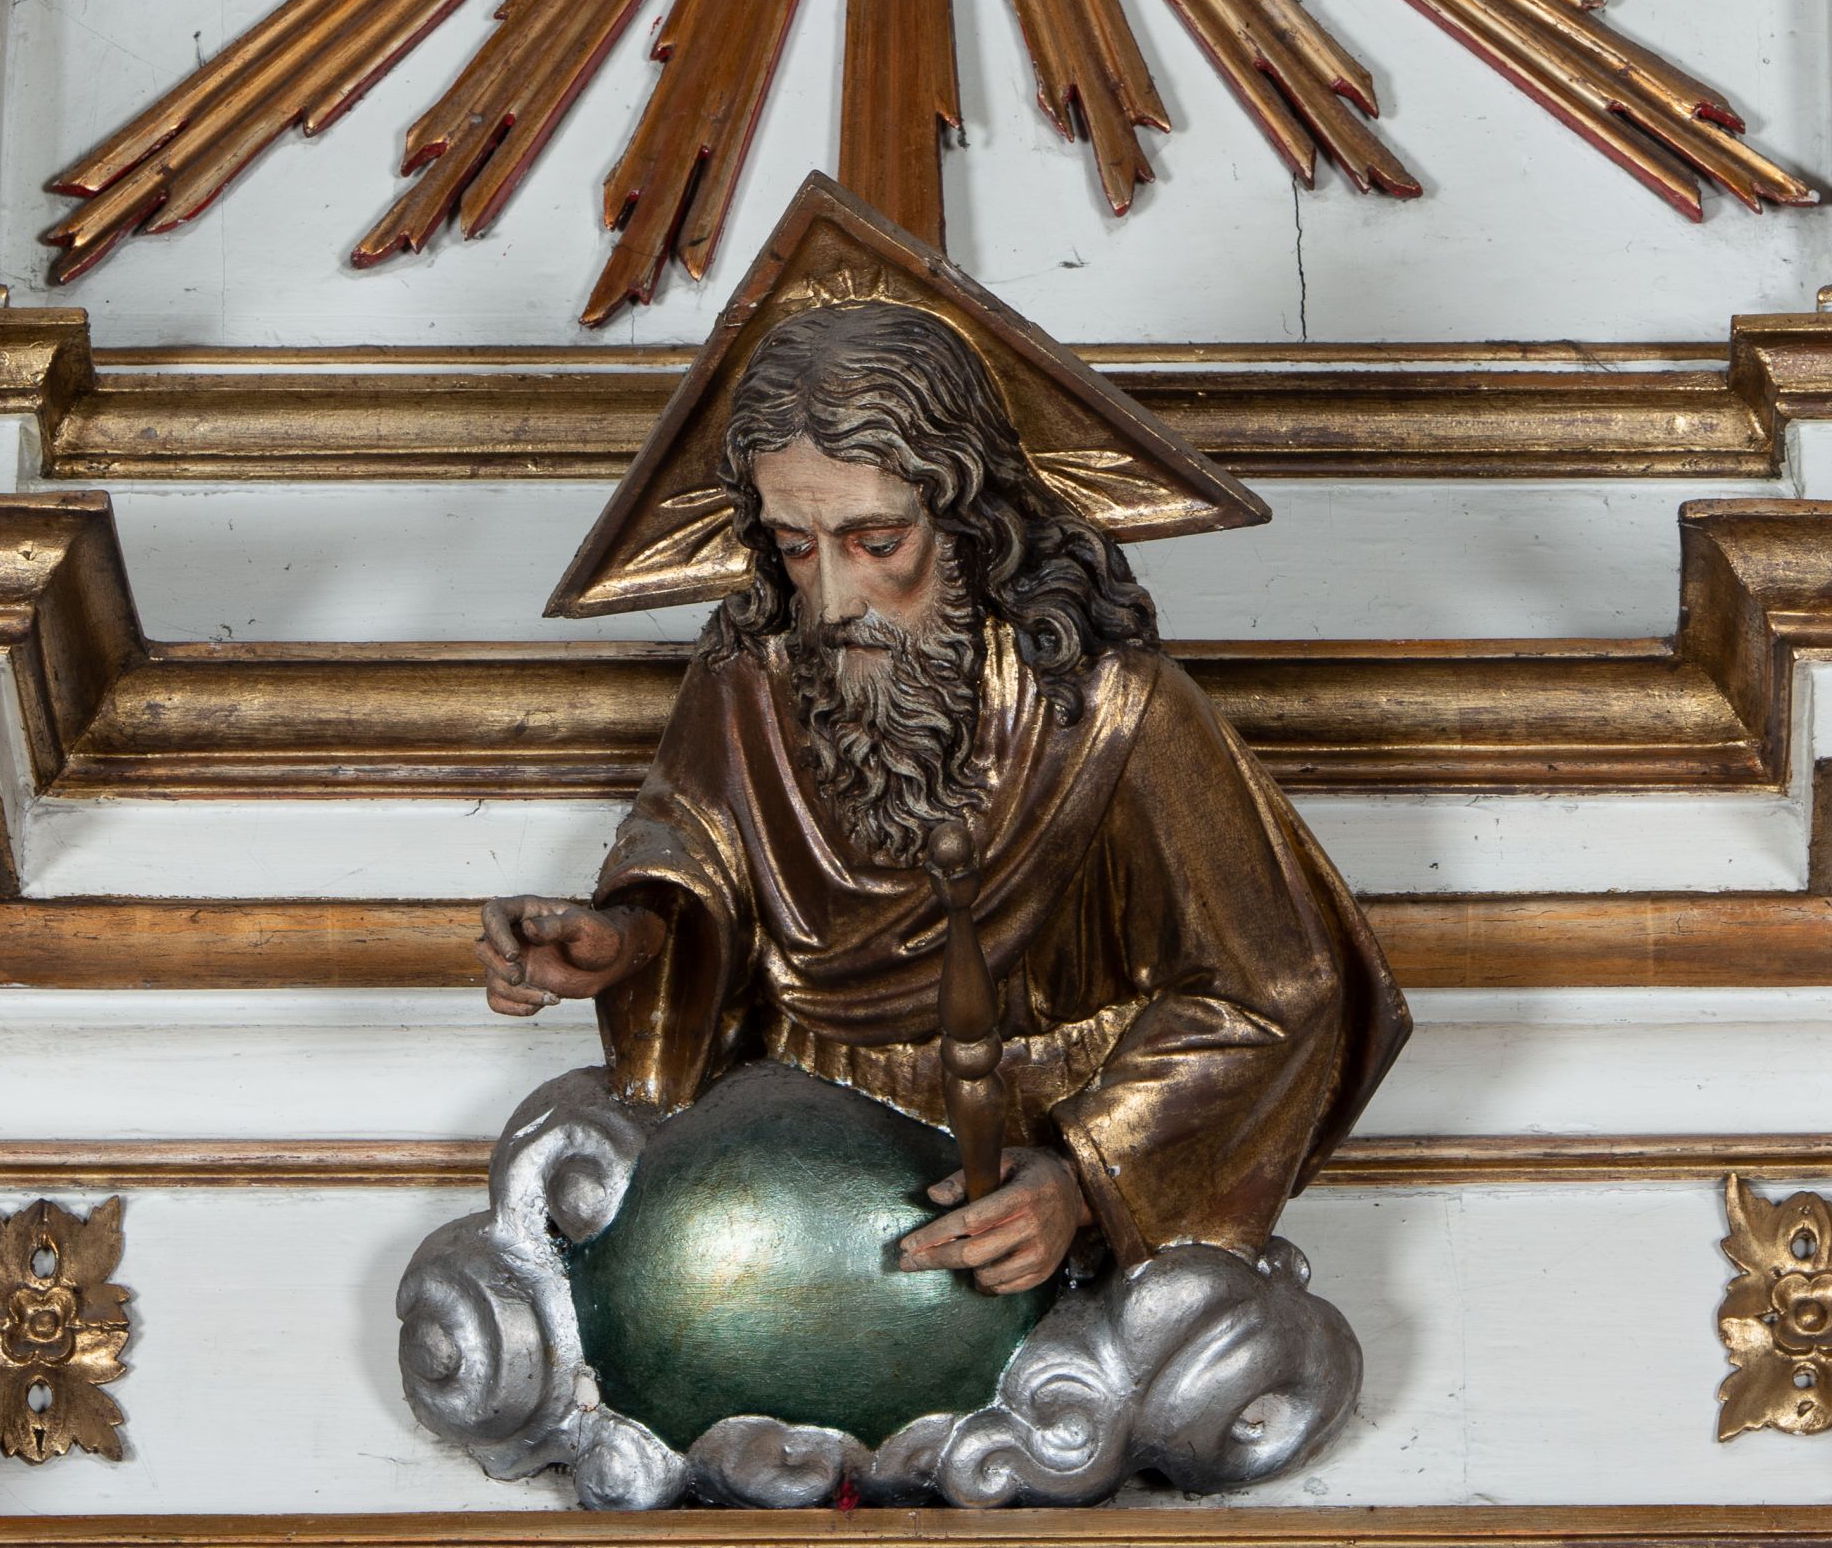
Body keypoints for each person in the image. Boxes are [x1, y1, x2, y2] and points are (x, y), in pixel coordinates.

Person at [480, 301, 1407, 1295]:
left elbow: (1276, 991)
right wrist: (627, 939)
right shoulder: (747, 679)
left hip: (1023, 1170)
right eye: (795, 545)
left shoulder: (1116, 713)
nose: (833, 600)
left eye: (876, 540)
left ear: (968, 520)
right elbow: (697, 860)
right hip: (791, 1152)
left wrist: (1084, 1177)